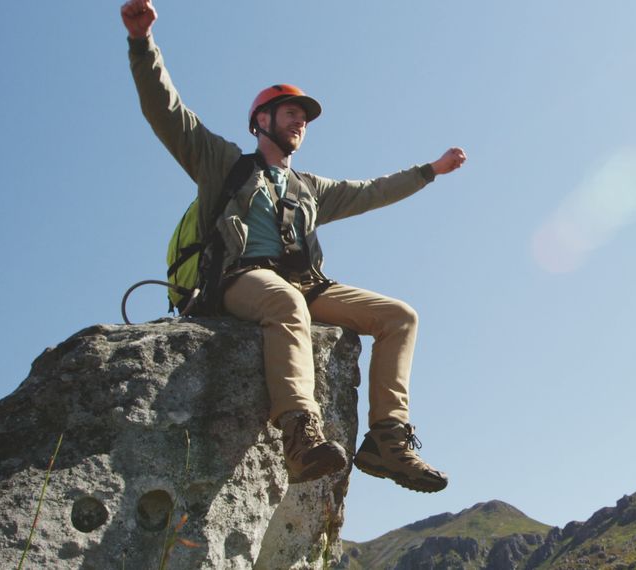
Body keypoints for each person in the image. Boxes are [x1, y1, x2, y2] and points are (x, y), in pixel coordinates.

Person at [121, 0, 465, 492]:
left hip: (305, 285)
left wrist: (429, 172)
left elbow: (371, 191)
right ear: (260, 119)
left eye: (303, 117)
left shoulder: (309, 188)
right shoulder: (224, 164)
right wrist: (141, 44)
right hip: (239, 280)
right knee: (283, 301)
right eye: (289, 113)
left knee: (399, 316)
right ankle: (301, 437)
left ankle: (387, 441)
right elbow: (167, 112)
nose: (299, 122)